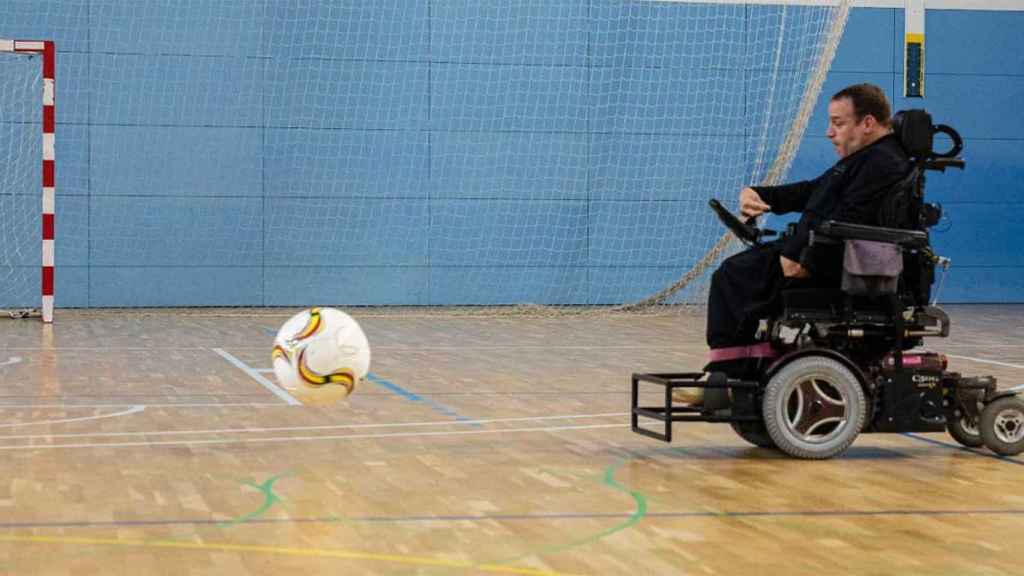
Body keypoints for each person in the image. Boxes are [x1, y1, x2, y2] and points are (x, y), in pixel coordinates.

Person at [676, 83, 912, 406]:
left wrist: (801, 257)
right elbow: (814, 192)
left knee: (732, 278)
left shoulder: (883, 163)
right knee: (737, 275)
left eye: (838, 123)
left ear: (868, 123)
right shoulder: (866, 158)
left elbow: (846, 218)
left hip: (836, 263)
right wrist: (761, 194)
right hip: (826, 253)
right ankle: (735, 372)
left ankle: (727, 377)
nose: (830, 133)